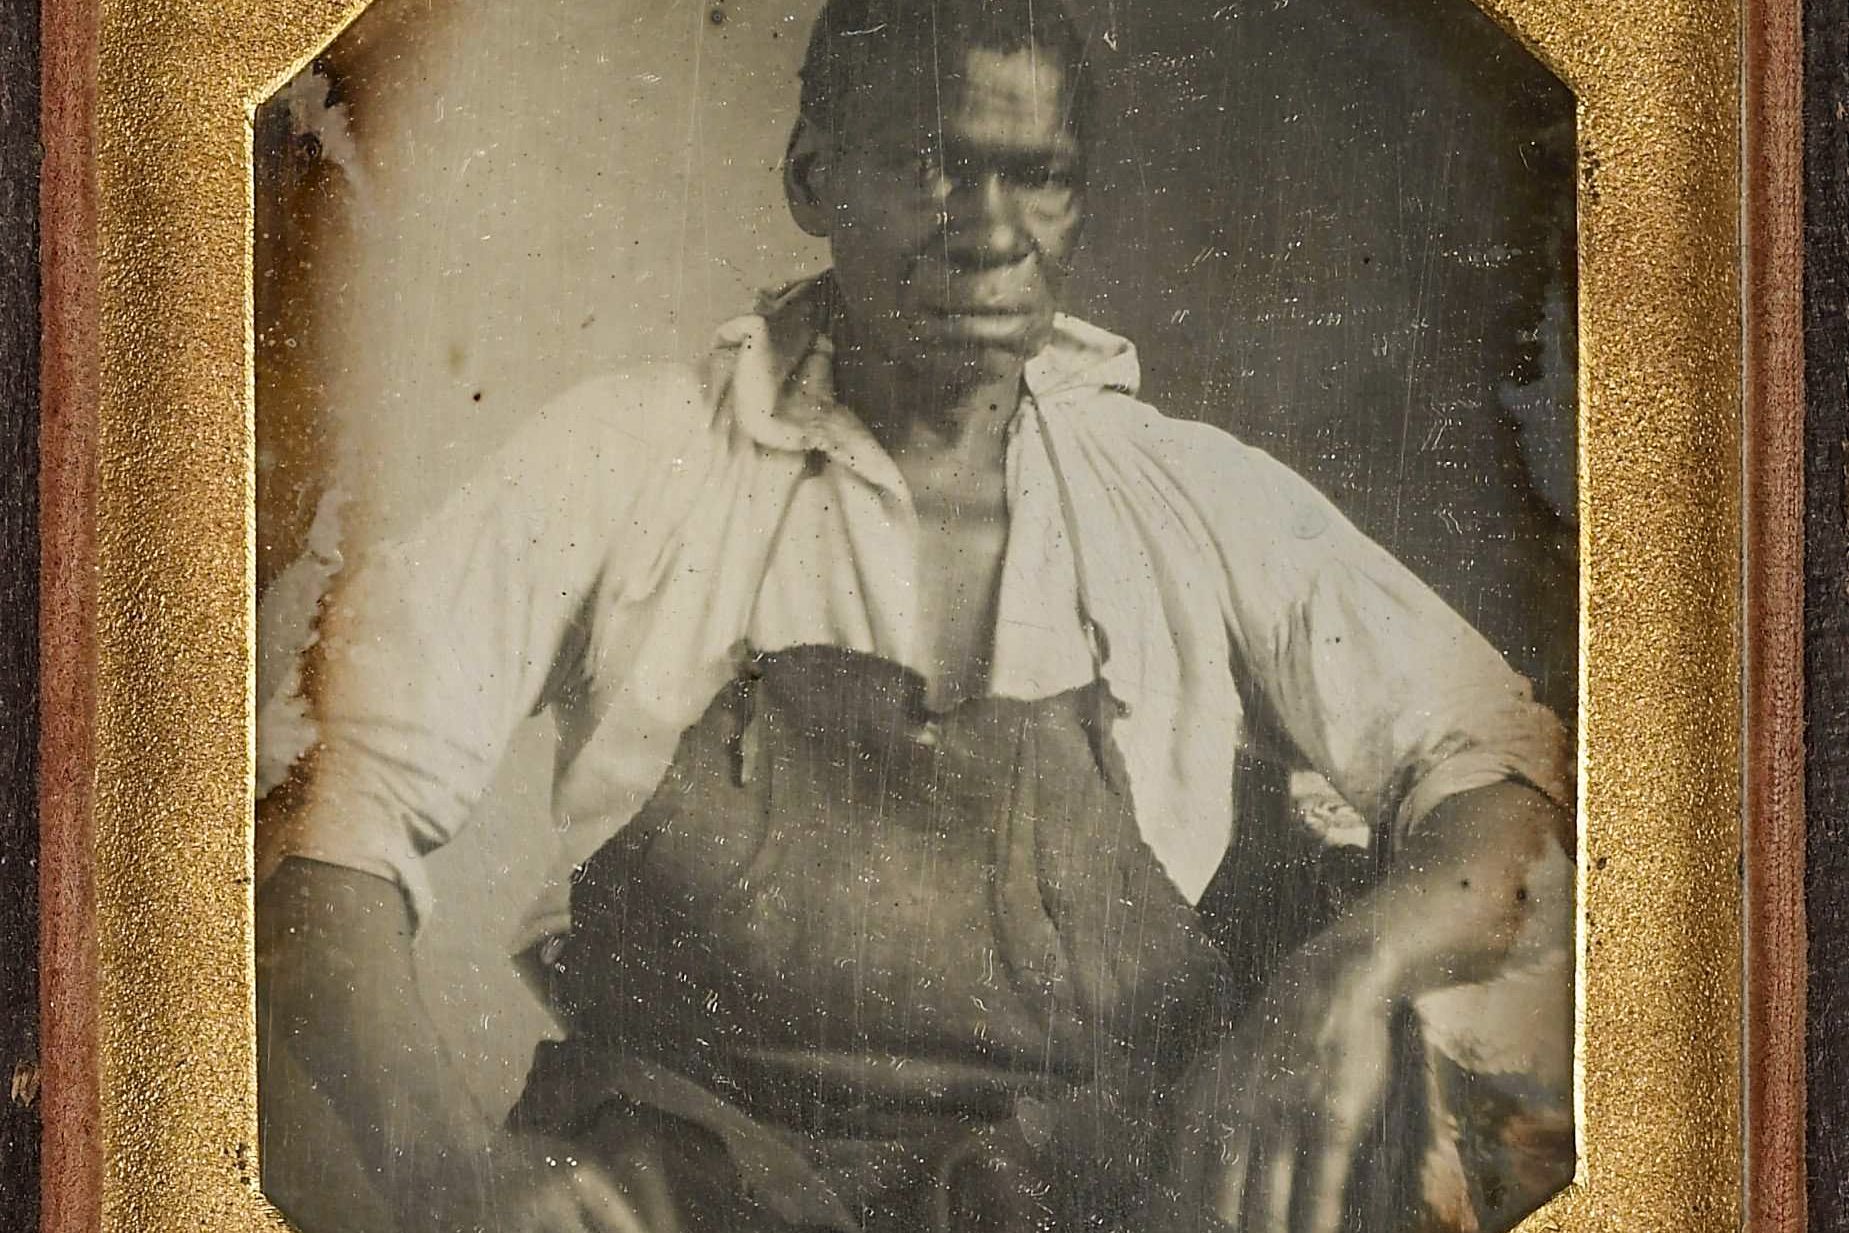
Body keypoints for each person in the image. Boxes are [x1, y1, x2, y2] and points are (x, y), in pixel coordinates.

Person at [256, 1, 1575, 1231]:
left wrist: (1334, 979)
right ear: (813, 177)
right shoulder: (628, 460)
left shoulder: (1182, 494)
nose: (988, 227)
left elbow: (1501, 772)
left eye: (1036, 175)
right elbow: (318, 812)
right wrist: (451, 1171)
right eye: (936, 165)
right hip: (680, 1190)